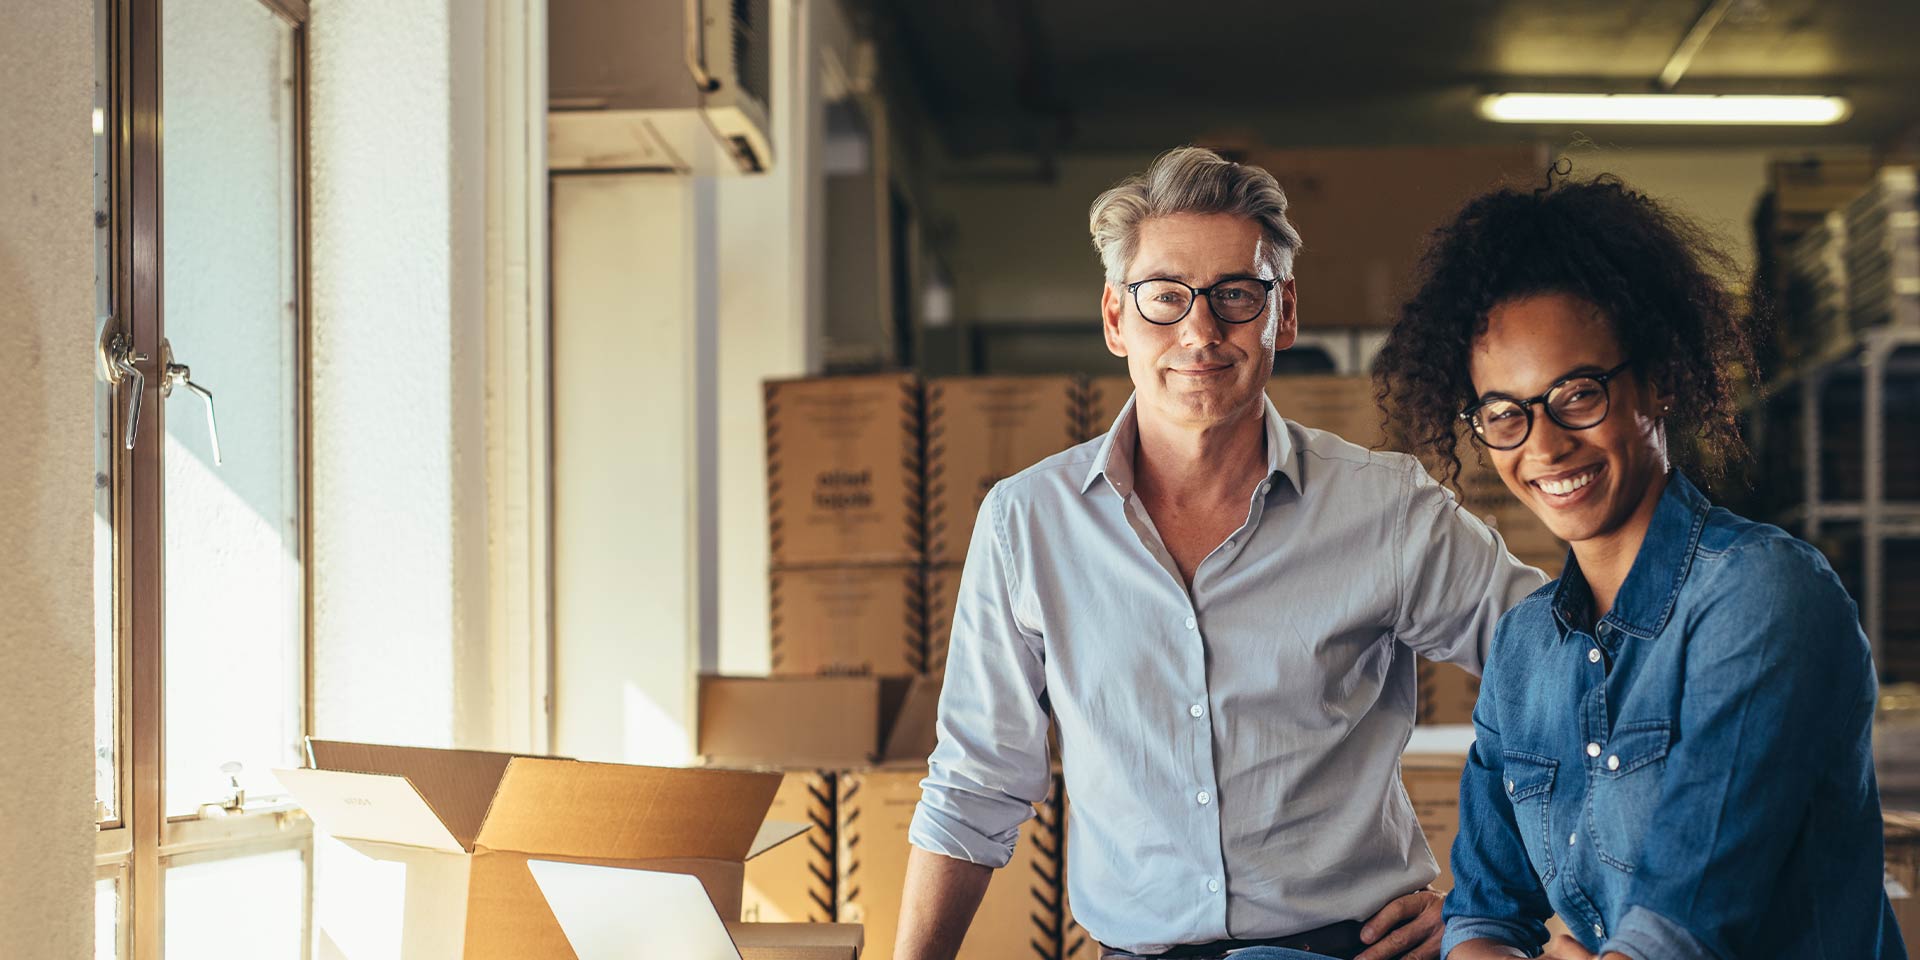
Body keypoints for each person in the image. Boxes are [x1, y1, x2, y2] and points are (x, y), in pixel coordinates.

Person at [894, 146, 1547, 960]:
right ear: (1115, 318)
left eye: (1237, 295)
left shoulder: (1384, 507)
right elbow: (975, 786)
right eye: (1165, 297)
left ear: (1286, 313)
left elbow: (1567, 676)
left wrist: (1486, 906)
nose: (1200, 332)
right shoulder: (1026, 524)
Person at [1373, 172, 1907, 959]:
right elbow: (1484, 915)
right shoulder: (1525, 648)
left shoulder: (1764, 597)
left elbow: (1679, 932)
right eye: (1505, 414)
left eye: (1577, 395)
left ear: (1656, 382)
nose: (1545, 446)